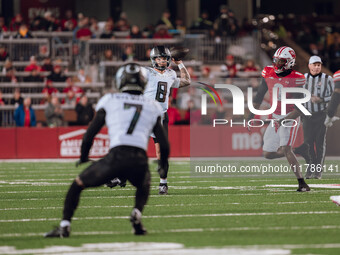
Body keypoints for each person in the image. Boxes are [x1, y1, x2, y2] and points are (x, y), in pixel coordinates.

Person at [44, 63, 169, 237]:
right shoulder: (153, 106)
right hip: (139, 159)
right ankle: (137, 214)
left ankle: (65, 225)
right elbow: (164, 144)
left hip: (116, 156)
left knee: (78, 184)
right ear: (143, 82)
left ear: (120, 81)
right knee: (144, 184)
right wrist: (162, 164)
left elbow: (90, 133)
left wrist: (83, 156)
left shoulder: (110, 100)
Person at [248, 46, 310, 192]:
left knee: (286, 148)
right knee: (268, 154)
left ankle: (302, 183)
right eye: (276, 60)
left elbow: (300, 108)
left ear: (289, 62)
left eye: (281, 61)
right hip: (276, 117)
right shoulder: (268, 72)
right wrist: (250, 115)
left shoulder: (297, 78)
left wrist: (284, 120)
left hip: (291, 117)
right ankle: (300, 150)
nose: (277, 64)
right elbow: (259, 95)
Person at [137, 45, 190, 194]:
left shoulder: (171, 74)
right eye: (159, 58)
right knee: (133, 148)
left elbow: (187, 81)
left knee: (161, 152)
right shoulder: (146, 72)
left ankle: (163, 183)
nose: (162, 61)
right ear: (153, 60)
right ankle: (120, 176)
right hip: (145, 114)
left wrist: (180, 63)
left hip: (161, 116)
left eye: (165, 58)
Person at [293, 56, 334, 179]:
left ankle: (318, 170)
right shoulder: (302, 79)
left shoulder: (328, 79)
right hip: (307, 114)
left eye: (319, 65)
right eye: (314, 65)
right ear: (309, 65)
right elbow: (297, 96)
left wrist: (320, 100)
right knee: (308, 143)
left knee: (320, 142)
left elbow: (333, 96)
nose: (317, 67)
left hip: (321, 114)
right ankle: (310, 168)